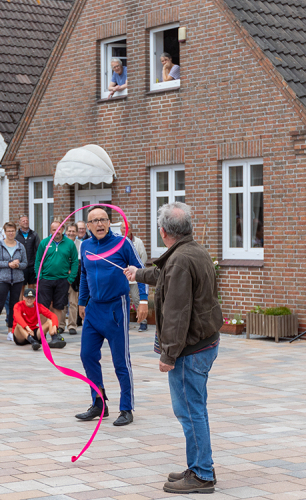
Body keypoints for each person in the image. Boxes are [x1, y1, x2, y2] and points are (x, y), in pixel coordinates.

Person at [125, 202, 222, 494]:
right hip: (204, 343)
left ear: (164, 231)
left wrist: (168, 355)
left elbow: (178, 312)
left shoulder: (181, 259)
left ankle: (203, 474)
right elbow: (167, 278)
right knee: (195, 409)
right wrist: (138, 274)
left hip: (190, 350)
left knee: (191, 411)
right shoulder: (192, 251)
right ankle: (198, 465)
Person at [76, 207, 147, 427]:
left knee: (120, 361)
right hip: (94, 309)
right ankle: (99, 403)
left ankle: (126, 408)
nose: (99, 224)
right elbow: (85, 275)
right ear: (87, 226)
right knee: (87, 355)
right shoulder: (85, 246)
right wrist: (81, 301)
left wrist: (143, 300)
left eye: (102, 220)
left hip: (117, 307)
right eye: (94, 221)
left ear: (109, 222)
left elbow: (141, 270)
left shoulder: (122, 243)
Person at [34, 221, 78, 335]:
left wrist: (70, 279)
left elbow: (74, 262)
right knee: (43, 307)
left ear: (62, 229)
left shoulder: (69, 244)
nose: (56, 232)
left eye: (58, 229)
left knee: (59, 307)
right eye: (53, 230)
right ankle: (41, 334)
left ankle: (55, 333)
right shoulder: (44, 243)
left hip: (62, 280)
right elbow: (38, 261)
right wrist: (40, 277)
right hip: (45, 280)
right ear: (50, 230)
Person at [0, 222, 27, 342]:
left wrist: (18, 265)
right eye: (8, 231)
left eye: (13, 231)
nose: (11, 233)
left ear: (15, 231)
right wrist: (8, 264)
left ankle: (11, 330)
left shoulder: (20, 246)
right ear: (4, 232)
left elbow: (25, 263)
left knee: (14, 306)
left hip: (17, 280)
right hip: (2, 279)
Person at [126, 222, 149, 332]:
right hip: (124, 277)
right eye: (123, 227)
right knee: (124, 300)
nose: (126, 229)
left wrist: (137, 272)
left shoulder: (138, 242)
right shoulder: (119, 242)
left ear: (131, 229)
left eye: (128, 227)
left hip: (135, 277)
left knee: (136, 298)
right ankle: (125, 322)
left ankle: (143, 322)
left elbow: (143, 258)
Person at [16, 215, 40, 298]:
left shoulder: (34, 234)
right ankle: (21, 306)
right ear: (19, 223)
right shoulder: (16, 236)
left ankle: (31, 307)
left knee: (31, 287)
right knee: (21, 287)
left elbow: (38, 249)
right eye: (23, 221)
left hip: (31, 265)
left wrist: (36, 262)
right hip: (21, 266)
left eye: (27, 220)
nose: (25, 222)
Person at [66, 224, 81, 335]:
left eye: (73, 231)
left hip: (74, 278)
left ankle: (72, 325)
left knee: (73, 302)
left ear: (76, 233)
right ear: (66, 232)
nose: (71, 233)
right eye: (69, 231)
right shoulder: (61, 244)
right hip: (62, 277)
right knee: (61, 303)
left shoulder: (81, 245)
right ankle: (60, 325)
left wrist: (72, 271)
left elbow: (79, 262)